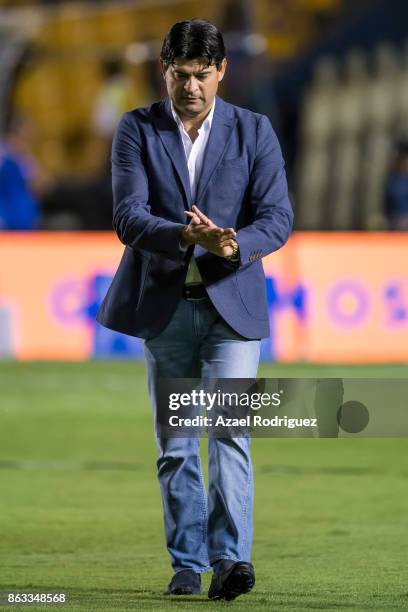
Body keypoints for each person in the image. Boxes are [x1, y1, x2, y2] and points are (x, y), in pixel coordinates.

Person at [96, 19, 293, 601]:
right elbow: (128, 218)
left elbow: (277, 217)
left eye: (202, 75)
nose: (191, 88)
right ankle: (186, 563)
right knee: (177, 442)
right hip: (165, 309)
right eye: (180, 75)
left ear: (222, 71)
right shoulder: (135, 129)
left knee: (228, 431)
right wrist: (189, 238)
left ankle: (230, 561)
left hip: (231, 310)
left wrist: (233, 245)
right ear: (164, 70)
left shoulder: (255, 131)